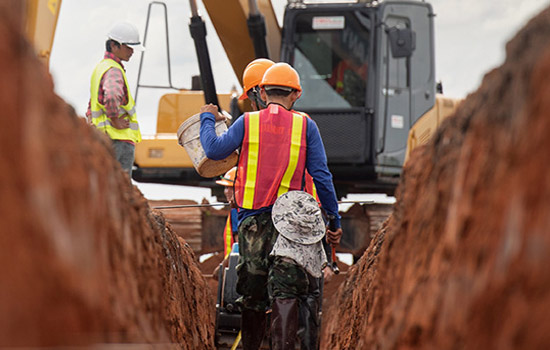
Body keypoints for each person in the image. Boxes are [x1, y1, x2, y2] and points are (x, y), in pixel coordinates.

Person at [199, 62, 343, 350]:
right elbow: (322, 177)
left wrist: (206, 118)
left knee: (252, 291)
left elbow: (213, 150)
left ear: (262, 93)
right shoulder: (306, 126)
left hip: (253, 223)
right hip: (292, 227)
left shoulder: (247, 122)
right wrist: (334, 221)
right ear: (296, 95)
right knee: (286, 291)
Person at [86, 21, 144, 177]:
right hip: (119, 140)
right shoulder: (113, 70)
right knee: (122, 190)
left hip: (105, 139)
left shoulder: (101, 67)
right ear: (114, 45)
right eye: (128, 47)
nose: (132, 51)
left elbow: (92, 104)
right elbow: (111, 97)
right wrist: (115, 119)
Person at [212, 167, 239, 281]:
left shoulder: (237, 212)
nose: (227, 192)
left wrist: (223, 266)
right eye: (225, 188)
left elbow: (240, 246)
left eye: (231, 188)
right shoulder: (236, 210)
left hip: (237, 266)